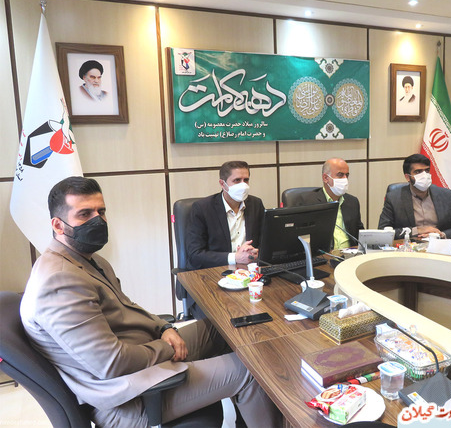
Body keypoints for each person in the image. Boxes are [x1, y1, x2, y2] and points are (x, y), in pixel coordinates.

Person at [20, 176, 281, 428]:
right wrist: (166, 348)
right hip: (130, 399)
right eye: (84, 214)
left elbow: (128, 308)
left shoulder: (88, 259)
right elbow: (111, 364)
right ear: (58, 225)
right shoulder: (59, 281)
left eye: (101, 211)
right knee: (252, 370)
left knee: (222, 328)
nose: (97, 220)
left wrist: (163, 328)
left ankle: (250, 410)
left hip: (141, 354)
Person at [185, 161, 264, 316]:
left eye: (246, 180)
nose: (243, 185)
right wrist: (235, 257)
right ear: (223, 184)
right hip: (213, 277)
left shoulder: (256, 204)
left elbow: (264, 240)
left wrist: (256, 252)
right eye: (237, 180)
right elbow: (195, 254)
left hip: (249, 277)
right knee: (225, 318)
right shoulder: (202, 209)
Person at [378, 153, 451, 242]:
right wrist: (417, 230)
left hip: (440, 246)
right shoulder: (394, 198)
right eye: (418, 172)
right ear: (407, 177)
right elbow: (383, 231)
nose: (424, 175)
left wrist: (441, 235)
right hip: (409, 247)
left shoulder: (446, 195)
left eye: (427, 171)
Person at [287, 158, 364, 249]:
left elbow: (360, 235)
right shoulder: (308, 202)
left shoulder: (352, 201)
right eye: (340, 175)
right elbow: (297, 237)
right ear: (326, 178)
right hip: (324, 254)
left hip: (351, 253)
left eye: (347, 175)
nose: (345, 179)